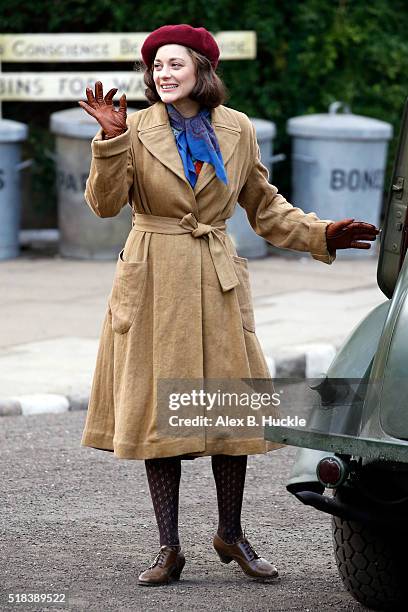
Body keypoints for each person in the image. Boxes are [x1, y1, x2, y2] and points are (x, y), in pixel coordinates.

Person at [78, 24, 379, 586]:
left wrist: (321, 233)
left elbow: (263, 204)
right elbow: (103, 205)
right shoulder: (134, 127)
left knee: (226, 407)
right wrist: (111, 141)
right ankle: (167, 547)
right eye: (156, 66)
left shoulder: (236, 129)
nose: (163, 74)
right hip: (154, 276)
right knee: (157, 412)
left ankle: (231, 532)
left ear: (202, 70)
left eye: (174, 64)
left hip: (216, 275)